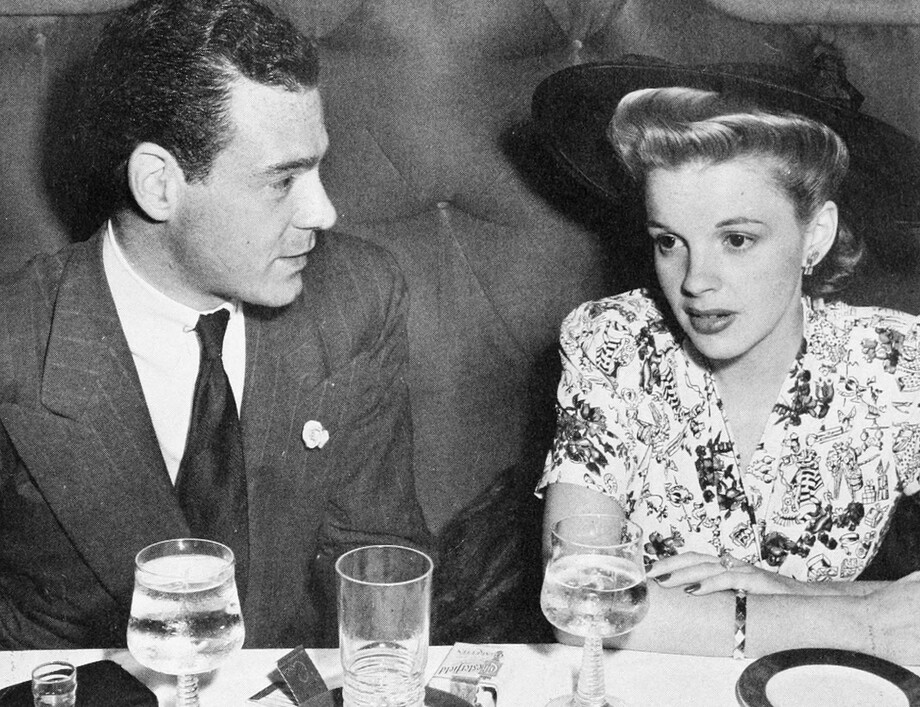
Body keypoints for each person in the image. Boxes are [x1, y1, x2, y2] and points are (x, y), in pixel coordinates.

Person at [0, 0, 430, 649]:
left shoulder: (355, 297)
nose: (324, 211)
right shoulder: (16, 344)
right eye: (282, 180)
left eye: (317, 166)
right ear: (158, 185)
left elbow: (376, 572)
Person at [536, 78, 920, 662]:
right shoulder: (614, 341)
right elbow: (583, 603)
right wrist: (863, 622)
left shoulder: (895, 360)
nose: (695, 281)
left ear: (815, 235)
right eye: (670, 242)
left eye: (736, 239)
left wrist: (793, 594)